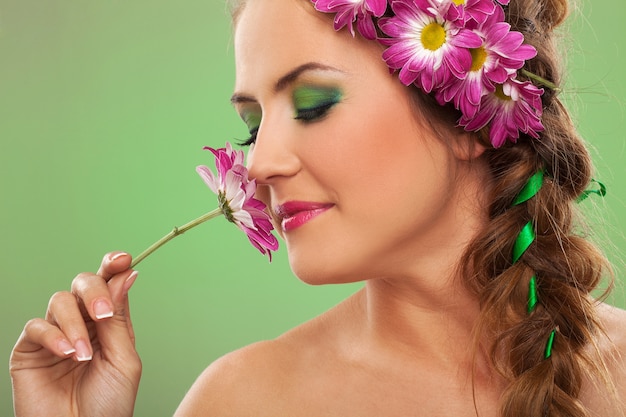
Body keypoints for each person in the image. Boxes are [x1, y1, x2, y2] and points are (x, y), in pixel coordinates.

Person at [10, 0, 626, 415]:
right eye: (252, 126)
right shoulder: (243, 402)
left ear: (474, 111)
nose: (257, 164)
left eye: (312, 103)